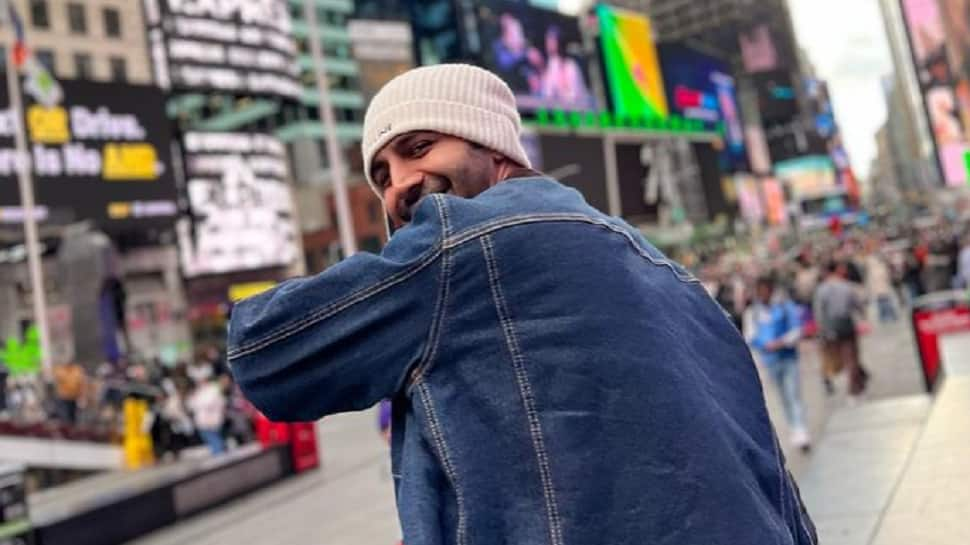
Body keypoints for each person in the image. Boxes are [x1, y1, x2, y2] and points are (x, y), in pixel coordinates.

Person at [226, 64, 815, 544]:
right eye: (381, 174)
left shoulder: (460, 245)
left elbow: (263, 353)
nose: (400, 184)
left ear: (493, 145)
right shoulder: (676, 278)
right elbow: (775, 483)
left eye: (420, 147)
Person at [744, 275, 811, 452]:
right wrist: (764, 345)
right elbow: (750, 336)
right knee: (783, 396)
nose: (763, 294)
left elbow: (797, 329)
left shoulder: (784, 306)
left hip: (788, 357)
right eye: (760, 291)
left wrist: (781, 342)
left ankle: (801, 428)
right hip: (770, 361)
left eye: (766, 290)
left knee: (793, 393)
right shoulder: (753, 313)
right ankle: (794, 427)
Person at [814, 261, 868, 399]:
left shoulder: (822, 289)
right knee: (851, 357)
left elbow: (819, 313)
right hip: (846, 324)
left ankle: (854, 382)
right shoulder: (846, 286)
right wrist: (863, 318)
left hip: (831, 327)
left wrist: (821, 331)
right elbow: (858, 304)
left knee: (835, 357)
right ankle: (854, 388)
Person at [187, 376, 227, 456]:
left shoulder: (213, 390)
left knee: (215, 436)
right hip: (202, 420)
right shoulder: (197, 392)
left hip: (213, 417)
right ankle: (218, 451)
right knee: (210, 437)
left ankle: (219, 452)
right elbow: (191, 405)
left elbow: (215, 402)